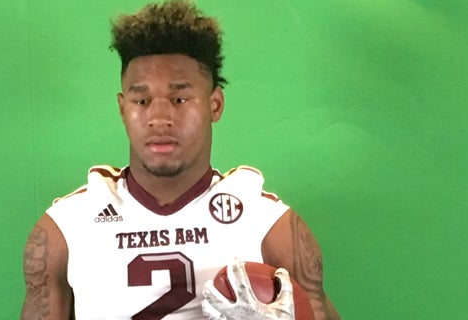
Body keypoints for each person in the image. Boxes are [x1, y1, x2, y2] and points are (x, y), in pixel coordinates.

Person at [21, 0, 340, 319]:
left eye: (179, 98)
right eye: (142, 100)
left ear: (214, 105)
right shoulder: (66, 226)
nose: (159, 118)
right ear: (122, 108)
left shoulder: (270, 225)